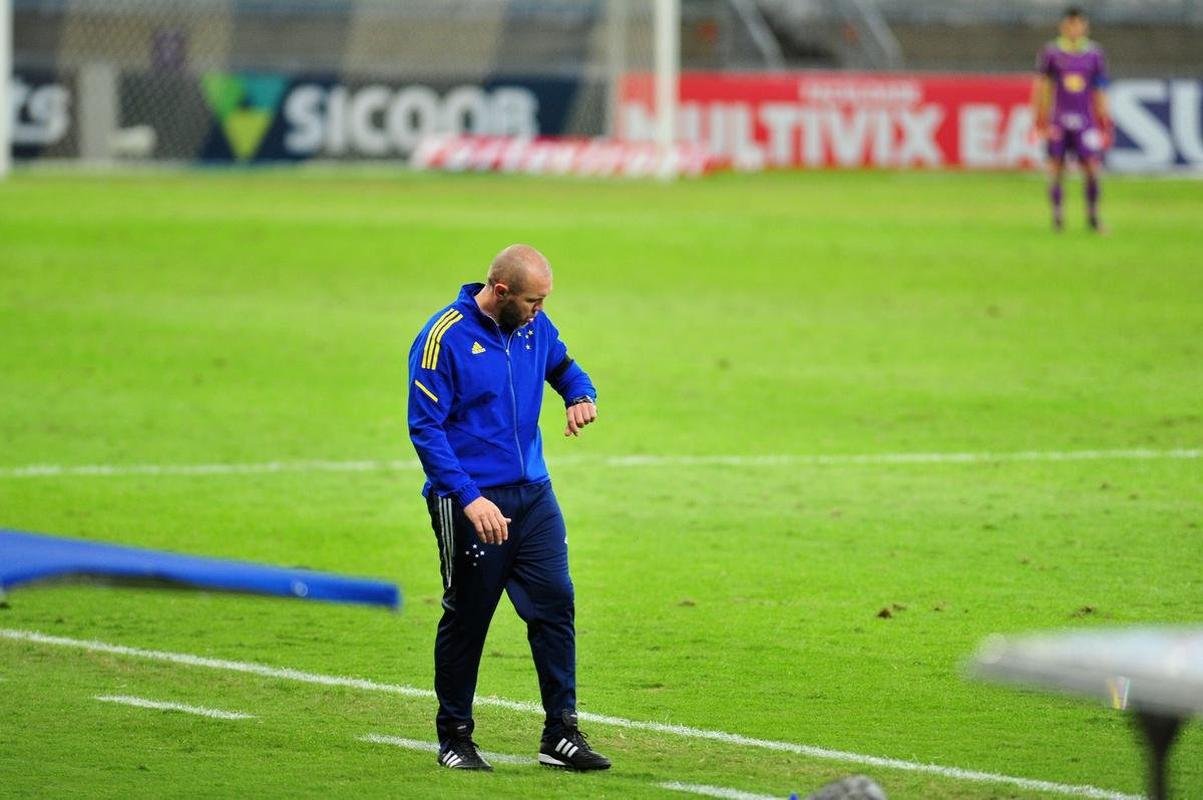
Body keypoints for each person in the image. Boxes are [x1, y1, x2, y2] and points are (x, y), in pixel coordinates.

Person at [406, 244, 611, 772]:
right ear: (501, 293)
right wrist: (468, 498)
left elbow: (566, 368)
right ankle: (455, 737)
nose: (540, 311)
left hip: (533, 494)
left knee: (555, 604)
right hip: (472, 500)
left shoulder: (533, 328)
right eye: (533, 301)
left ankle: (560, 734)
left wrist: (580, 396)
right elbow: (425, 429)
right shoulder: (443, 338)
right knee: (469, 616)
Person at [1031, 6, 1112, 232]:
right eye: (1071, 24)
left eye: (1078, 24)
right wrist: (1039, 117)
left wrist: (1104, 118)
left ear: (1085, 26)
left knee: (1092, 168)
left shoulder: (1095, 54)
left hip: (1085, 121)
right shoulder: (1051, 53)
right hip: (1059, 120)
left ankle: (1093, 216)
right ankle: (1057, 217)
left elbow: (1100, 89)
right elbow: (1043, 87)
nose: (1074, 29)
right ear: (1063, 26)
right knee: (1056, 168)